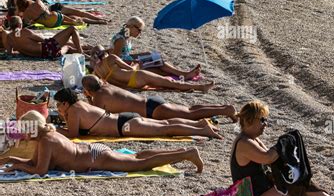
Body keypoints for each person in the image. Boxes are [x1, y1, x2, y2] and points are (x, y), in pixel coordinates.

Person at [230, 100, 334, 196]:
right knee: (297, 184)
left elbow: (272, 160)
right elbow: (267, 157)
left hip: (260, 193)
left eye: (266, 120)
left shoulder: (251, 139)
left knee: (299, 179)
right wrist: (284, 143)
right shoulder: (244, 143)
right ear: (249, 120)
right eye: (262, 120)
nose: (265, 124)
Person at [0, 110, 204, 175]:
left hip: (96, 158)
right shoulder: (48, 136)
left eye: (25, 129)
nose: (23, 134)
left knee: (138, 164)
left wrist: (16, 165)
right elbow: (34, 163)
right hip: (95, 152)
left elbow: (40, 170)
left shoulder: (45, 142)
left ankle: (186, 154)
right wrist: (9, 158)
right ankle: (181, 150)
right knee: (137, 156)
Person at [53, 88, 222, 139]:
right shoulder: (80, 104)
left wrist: (53, 128)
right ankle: (199, 124)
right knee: (166, 124)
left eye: (58, 105)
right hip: (125, 119)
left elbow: (73, 135)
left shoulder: (74, 111)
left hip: (124, 126)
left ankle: (201, 129)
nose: (58, 108)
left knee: (166, 129)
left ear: (65, 103)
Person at [82, 75, 237, 122]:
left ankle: (226, 109)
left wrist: (88, 99)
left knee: (190, 115)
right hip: (151, 102)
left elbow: (95, 115)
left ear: (88, 90)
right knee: (189, 110)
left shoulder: (98, 97)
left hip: (152, 111)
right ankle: (223, 107)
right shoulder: (107, 86)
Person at [90, 46, 214, 92]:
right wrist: (137, 64)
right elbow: (131, 69)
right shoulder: (111, 58)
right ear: (104, 52)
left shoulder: (97, 70)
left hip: (130, 86)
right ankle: (201, 87)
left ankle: (187, 76)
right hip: (137, 77)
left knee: (165, 82)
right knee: (170, 83)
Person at [110, 16, 201, 80]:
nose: (140, 33)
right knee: (158, 66)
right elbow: (115, 60)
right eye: (139, 30)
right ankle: (184, 74)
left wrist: (140, 56)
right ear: (132, 27)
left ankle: (183, 74)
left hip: (128, 61)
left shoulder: (125, 36)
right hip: (125, 66)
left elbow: (124, 54)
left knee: (154, 57)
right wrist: (134, 62)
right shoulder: (121, 40)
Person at [0, 16, 84, 59]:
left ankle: (86, 52)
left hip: (45, 55)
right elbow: (43, 40)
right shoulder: (24, 31)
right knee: (72, 29)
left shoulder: (9, 38)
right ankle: (81, 53)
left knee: (68, 47)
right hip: (48, 49)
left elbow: (10, 53)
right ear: (20, 24)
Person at [15, 0, 107, 26]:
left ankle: (98, 21)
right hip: (54, 11)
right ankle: (99, 20)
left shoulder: (27, 14)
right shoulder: (37, 2)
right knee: (79, 13)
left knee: (77, 16)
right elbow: (43, 7)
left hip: (54, 17)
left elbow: (26, 22)